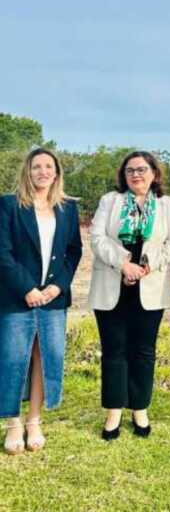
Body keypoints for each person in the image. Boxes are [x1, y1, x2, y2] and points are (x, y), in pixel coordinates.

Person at [88, 151, 170, 440]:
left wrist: (146, 266)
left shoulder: (167, 205)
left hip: (150, 285)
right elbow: (97, 238)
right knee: (114, 350)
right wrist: (123, 264)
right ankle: (114, 410)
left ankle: (139, 408)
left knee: (144, 350)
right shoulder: (110, 201)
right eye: (130, 170)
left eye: (142, 169)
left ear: (154, 173)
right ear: (123, 175)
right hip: (112, 284)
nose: (136, 175)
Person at [0, 148, 82, 455]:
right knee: (12, 358)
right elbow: (2, 253)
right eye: (37, 167)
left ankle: (34, 421)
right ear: (28, 171)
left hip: (52, 300)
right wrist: (26, 288)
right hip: (16, 296)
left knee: (44, 357)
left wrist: (58, 287)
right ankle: (13, 424)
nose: (43, 172)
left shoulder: (67, 208)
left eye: (49, 166)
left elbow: (74, 251)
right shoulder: (8, 205)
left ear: (57, 172)